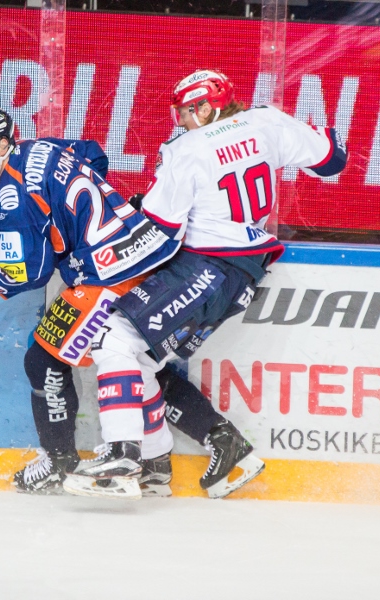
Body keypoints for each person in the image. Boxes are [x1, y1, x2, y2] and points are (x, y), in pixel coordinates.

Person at [0, 106, 262, 500]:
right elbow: (93, 155)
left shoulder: (11, 194)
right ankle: (189, 451)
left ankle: (59, 463)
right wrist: (66, 227)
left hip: (106, 272)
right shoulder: (42, 147)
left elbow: (29, 273)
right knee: (139, 364)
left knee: (43, 360)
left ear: (2, 144)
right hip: (141, 249)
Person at [62, 69, 348, 499]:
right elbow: (333, 159)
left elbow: (160, 229)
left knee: (113, 337)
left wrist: (106, 260)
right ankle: (159, 468)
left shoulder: (186, 149)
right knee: (143, 363)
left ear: (204, 105)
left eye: (185, 111)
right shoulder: (266, 121)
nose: (180, 121)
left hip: (206, 267)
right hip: (243, 274)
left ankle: (123, 458)